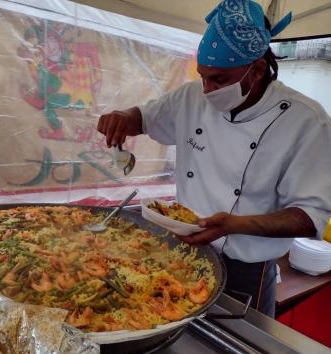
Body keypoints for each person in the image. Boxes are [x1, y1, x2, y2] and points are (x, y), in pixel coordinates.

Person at [97, 0, 331, 318]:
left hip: (249, 268)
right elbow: (146, 118)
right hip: (183, 249)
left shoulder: (306, 121)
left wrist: (232, 225)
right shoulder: (192, 96)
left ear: (258, 69)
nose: (207, 90)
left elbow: (307, 218)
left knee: (241, 345)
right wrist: (123, 117)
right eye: (203, 76)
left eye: (219, 80)